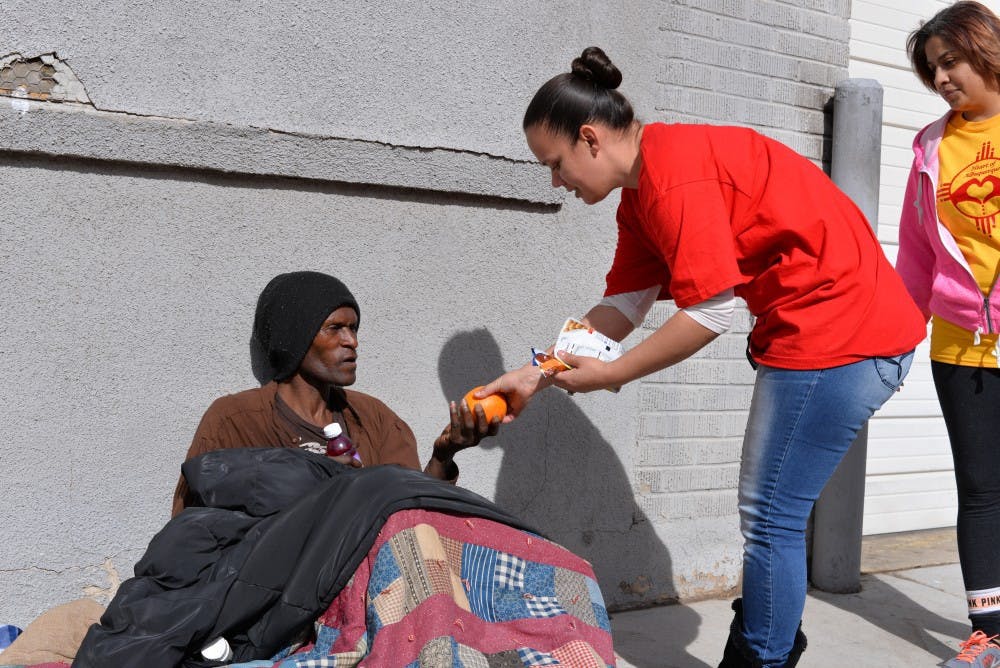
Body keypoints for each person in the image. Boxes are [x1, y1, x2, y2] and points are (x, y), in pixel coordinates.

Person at [476, 47, 926, 667]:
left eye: (555, 164)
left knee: (770, 516)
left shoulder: (675, 175)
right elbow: (623, 305)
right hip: (829, 332)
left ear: (589, 139)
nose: (555, 181)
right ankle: (768, 633)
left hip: (842, 333)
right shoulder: (643, 192)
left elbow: (711, 312)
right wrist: (538, 374)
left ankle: (761, 655)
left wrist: (614, 375)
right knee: (771, 514)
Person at [172, 270, 497, 516]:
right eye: (336, 328)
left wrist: (444, 456)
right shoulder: (236, 421)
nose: (352, 342)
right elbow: (195, 526)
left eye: (354, 328)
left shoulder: (375, 420)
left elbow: (413, 520)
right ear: (295, 336)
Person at [898, 3, 1000, 666]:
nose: (941, 78)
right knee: (982, 489)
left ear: (985, 50)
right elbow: (916, 254)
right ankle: (989, 634)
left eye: (950, 61)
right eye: (932, 68)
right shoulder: (933, 146)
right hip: (962, 344)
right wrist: (893, 330)